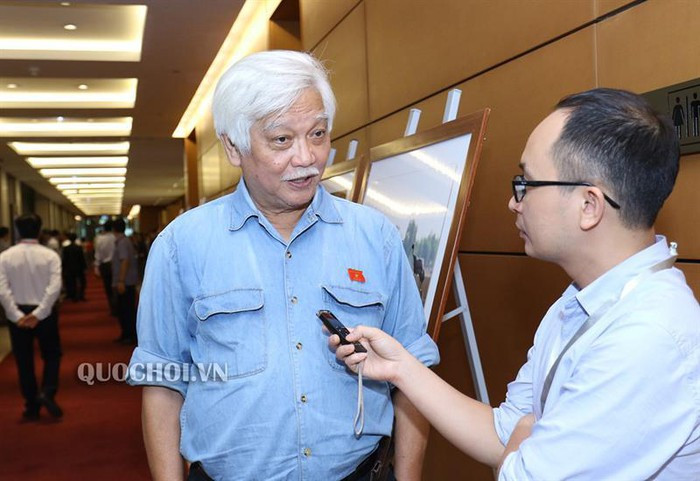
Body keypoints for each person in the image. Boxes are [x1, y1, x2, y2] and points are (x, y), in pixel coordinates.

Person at [334, 88, 700, 480]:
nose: (514, 202)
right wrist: (401, 369)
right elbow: (504, 432)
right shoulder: (581, 299)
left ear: (589, 205)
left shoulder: (647, 336)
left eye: (528, 182)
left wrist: (522, 444)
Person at [127, 50, 439, 481]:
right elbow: (163, 381)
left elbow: (413, 372)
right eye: (281, 140)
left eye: (318, 134)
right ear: (233, 147)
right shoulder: (181, 246)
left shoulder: (376, 237)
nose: (306, 157)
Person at [0, 214, 63, 420]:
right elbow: (55, 288)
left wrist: (16, 315)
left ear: (17, 230)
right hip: (45, 312)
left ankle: (31, 406)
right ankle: (47, 391)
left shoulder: (5, 257)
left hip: (18, 314)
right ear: (40, 230)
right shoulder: (50, 256)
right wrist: (39, 313)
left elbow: (2, 289)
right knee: (52, 354)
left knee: (23, 359)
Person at [112, 218, 138, 344]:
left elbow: (124, 261)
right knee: (126, 309)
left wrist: (121, 280)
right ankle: (127, 334)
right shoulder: (125, 241)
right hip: (128, 281)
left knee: (125, 310)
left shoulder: (122, 242)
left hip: (126, 281)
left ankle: (129, 335)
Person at [94, 220, 117, 316]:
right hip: (115, 264)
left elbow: (98, 254)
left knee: (108, 288)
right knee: (115, 287)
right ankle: (118, 306)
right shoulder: (115, 237)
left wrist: (96, 266)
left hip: (105, 266)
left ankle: (113, 308)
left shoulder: (99, 239)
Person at [62, 232, 87, 302]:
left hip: (69, 267)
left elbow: (64, 259)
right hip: (79, 267)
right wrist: (84, 267)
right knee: (82, 281)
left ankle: (73, 296)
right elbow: (82, 258)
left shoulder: (66, 248)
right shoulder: (79, 247)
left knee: (72, 282)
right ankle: (81, 295)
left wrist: (63, 268)